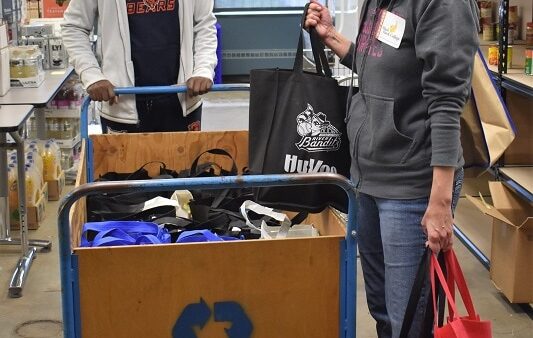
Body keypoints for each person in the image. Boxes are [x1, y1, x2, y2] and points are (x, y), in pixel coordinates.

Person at [305, 0, 479, 336]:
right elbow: (379, 69)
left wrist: (440, 204)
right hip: (369, 176)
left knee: (408, 321)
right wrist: (332, 38)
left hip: (413, 185)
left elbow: (447, 102)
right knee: (383, 312)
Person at [61, 0, 218, 133]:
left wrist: (203, 69)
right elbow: (74, 27)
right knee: (123, 169)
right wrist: (92, 75)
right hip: (121, 103)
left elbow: (204, 24)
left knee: (185, 167)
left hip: (183, 100)